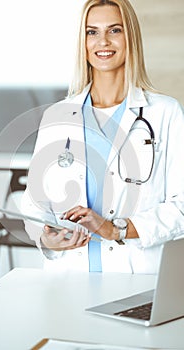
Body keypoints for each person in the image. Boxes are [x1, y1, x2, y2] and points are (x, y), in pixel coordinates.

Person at [21, 0, 184, 274]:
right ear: (82, 42)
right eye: (92, 32)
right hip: (69, 279)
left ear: (130, 37)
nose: (103, 41)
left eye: (115, 30)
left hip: (137, 278)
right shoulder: (57, 116)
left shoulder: (165, 113)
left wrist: (115, 229)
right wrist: (46, 238)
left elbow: (181, 207)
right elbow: (34, 204)